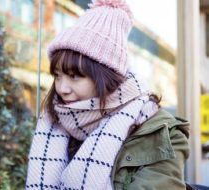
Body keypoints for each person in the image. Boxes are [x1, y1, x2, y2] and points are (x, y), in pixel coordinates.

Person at [26, 0, 189, 189]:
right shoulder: (52, 123)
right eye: (57, 75)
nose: (62, 88)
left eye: (74, 76)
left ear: (105, 77)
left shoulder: (162, 134)